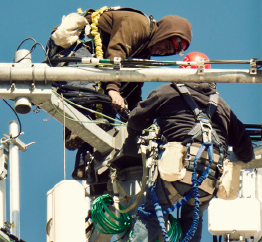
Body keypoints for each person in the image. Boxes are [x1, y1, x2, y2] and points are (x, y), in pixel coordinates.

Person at [102, 52, 255, 242]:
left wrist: (136, 134)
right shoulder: (224, 107)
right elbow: (246, 152)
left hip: (177, 171)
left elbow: (137, 119)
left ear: (181, 70)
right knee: (192, 215)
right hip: (209, 180)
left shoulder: (167, 91)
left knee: (149, 215)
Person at [46, 8, 193, 147]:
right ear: (164, 33)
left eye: (169, 52)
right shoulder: (138, 24)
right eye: (167, 46)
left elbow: (132, 89)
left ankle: (86, 163)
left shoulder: (143, 53)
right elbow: (116, 52)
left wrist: (136, 117)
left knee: (108, 114)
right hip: (72, 48)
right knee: (89, 88)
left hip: (100, 67)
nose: (163, 52)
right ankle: (75, 128)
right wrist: (112, 89)